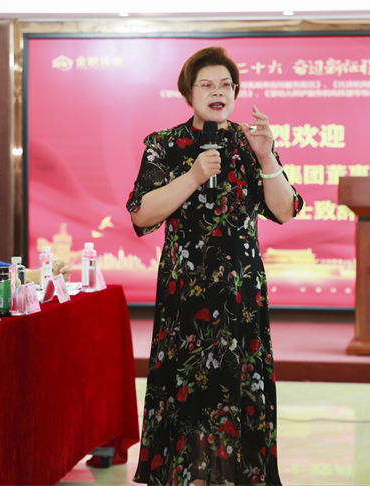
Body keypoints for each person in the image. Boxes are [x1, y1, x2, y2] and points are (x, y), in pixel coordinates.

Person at [127, 47, 303, 486]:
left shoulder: (251, 143)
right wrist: (191, 176)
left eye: (226, 84)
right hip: (185, 293)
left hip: (240, 294)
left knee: (238, 389)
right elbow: (141, 214)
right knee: (187, 391)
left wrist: (267, 157)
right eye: (206, 84)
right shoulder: (165, 145)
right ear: (188, 93)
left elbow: (285, 210)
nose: (217, 91)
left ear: (236, 92)